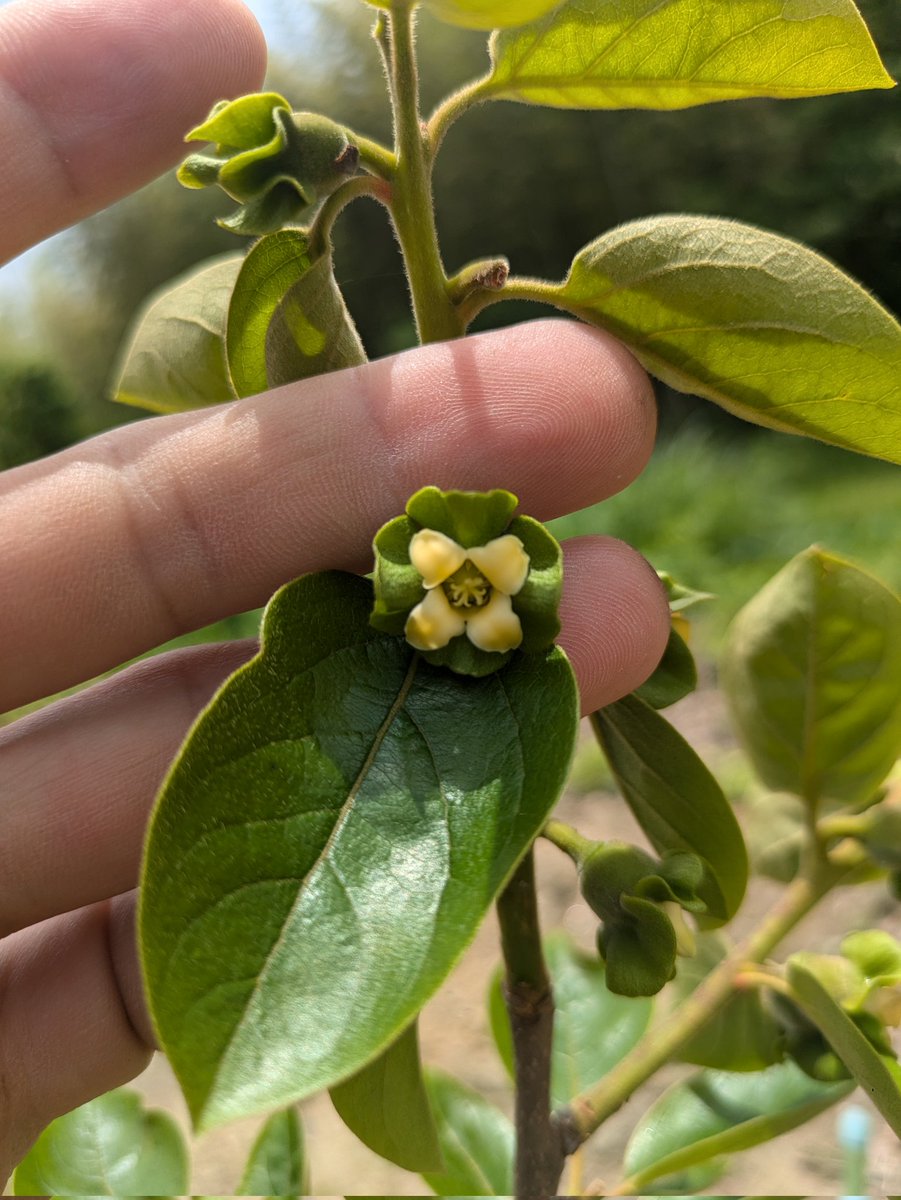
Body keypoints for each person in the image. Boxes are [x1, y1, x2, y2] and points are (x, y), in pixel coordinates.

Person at [0, 0, 669, 1174]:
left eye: (471, 594)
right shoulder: (461, 591)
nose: (467, 597)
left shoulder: (471, 586)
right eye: (464, 593)